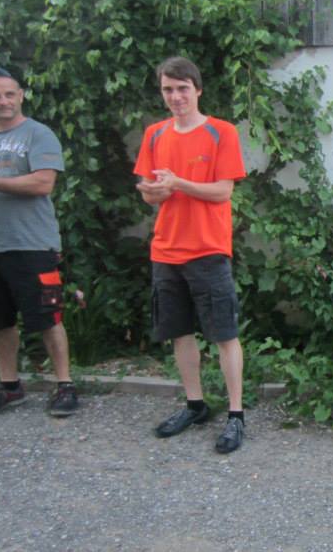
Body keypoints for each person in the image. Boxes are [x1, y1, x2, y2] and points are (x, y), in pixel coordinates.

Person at [134, 56, 247, 454]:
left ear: (197, 89)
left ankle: (236, 415)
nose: (176, 96)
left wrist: (178, 183)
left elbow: (223, 191)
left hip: (208, 250)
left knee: (224, 335)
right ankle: (195, 405)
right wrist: (154, 191)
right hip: (165, 250)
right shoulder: (154, 134)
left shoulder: (221, 132)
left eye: (182, 88)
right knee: (179, 333)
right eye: (168, 89)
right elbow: (147, 192)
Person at [0, 67, 78, 418]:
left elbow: (42, 183)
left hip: (33, 245)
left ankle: (65, 385)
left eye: (10, 94)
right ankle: (10, 387)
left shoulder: (39, 134)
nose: (3, 101)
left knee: (48, 317)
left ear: (21, 95)